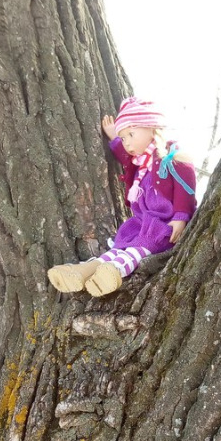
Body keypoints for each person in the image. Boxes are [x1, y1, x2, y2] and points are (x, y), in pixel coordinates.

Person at [48, 97, 197, 296]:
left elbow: (185, 186)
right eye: (124, 138)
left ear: (151, 128)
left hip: (163, 224)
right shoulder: (140, 163)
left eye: (130, 134)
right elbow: (126, 157)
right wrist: (114, 137)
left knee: (140, 248)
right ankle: (83, 271)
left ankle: (114, 272)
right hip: (140, 222)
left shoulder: (169, 155)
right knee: (121, 246)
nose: (127, 143)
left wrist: (180, 217)